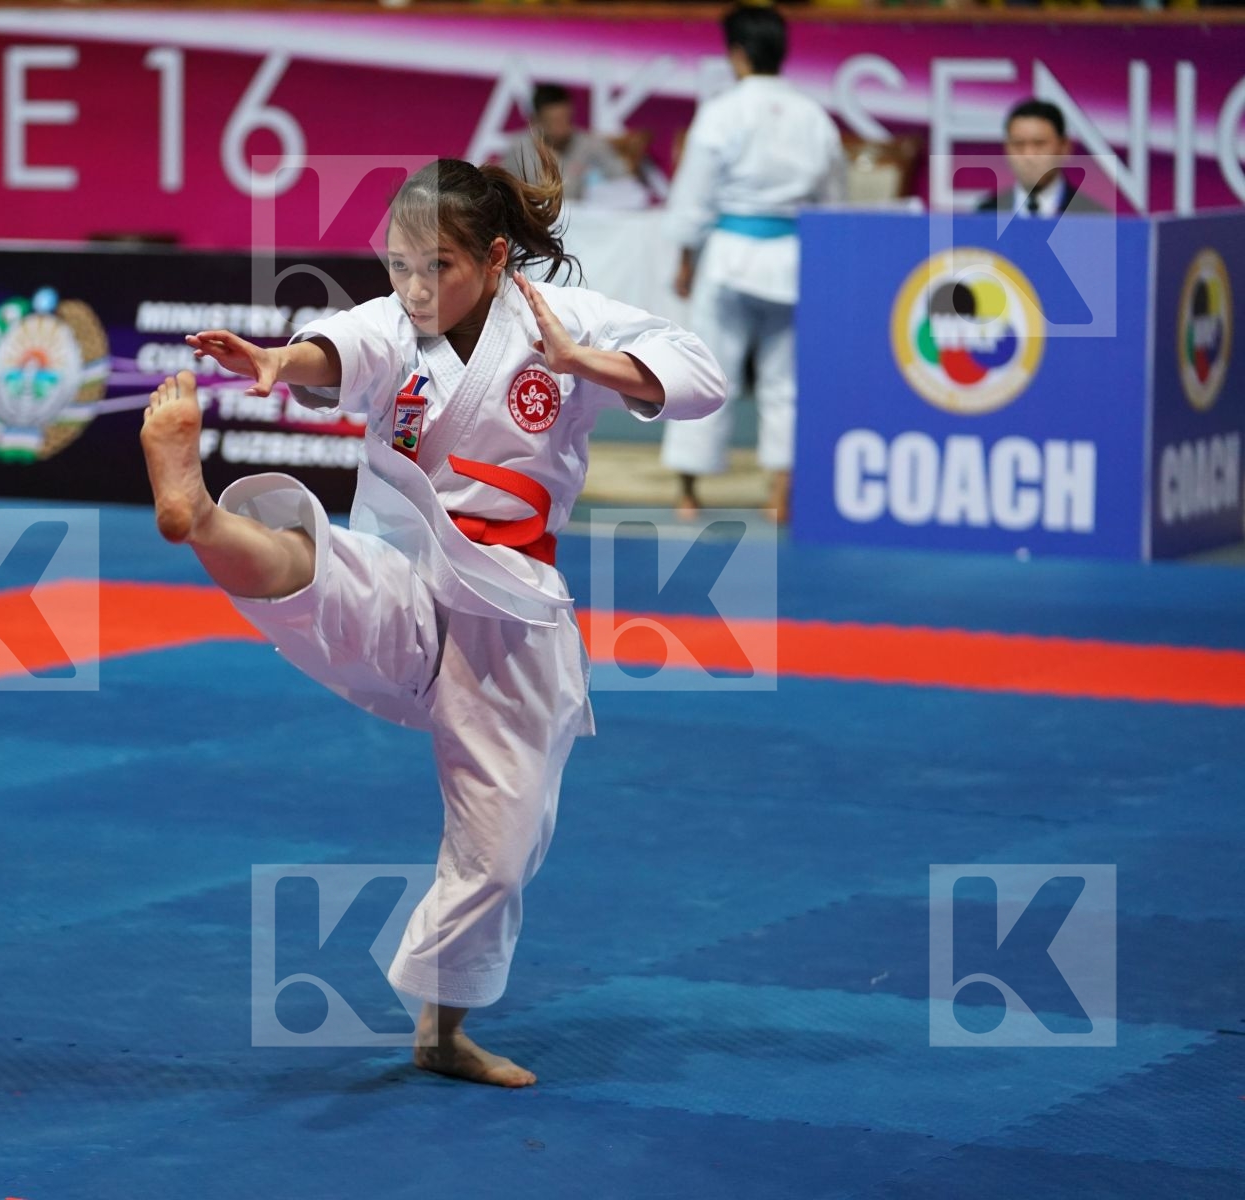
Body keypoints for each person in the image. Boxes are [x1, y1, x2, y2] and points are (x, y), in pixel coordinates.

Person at [140, 155, 724, 1087]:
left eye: (437, 267)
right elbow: (339, 348)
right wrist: (276, 361)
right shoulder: (397, 319)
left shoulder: (563, 322)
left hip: (511, 608)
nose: (412, 287)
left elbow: (700, 377)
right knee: (314, 565)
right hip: (405, 568)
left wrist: (582, 365)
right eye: (398, 264)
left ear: (496, 259)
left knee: (502, 849)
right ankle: (199, 514)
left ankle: (441, 1033)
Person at [660, 3, 845, 524]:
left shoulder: (722, 112)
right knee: (784, 380)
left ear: (737, 53)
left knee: (705, 372)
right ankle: (780, 491)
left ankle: (689, 493)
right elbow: (834, 202)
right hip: (793, 260)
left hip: (730, 259)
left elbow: (694, 197)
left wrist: (684, 256)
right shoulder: (814, 117)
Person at [503, 84, 643, 203]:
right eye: (554, 121)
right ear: (536, 121)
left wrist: (632, 157)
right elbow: (502, 189)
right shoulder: (518, 149)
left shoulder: (589, 145)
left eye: (566, 119)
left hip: (579, 221)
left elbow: (624, 177)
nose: (562, 128)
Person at [976, 99, 1107, 217]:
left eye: (1039, 144)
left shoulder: (1092, 217)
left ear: (1064, 147)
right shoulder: (986, 214)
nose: (1029, 156)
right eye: (1018, 144)